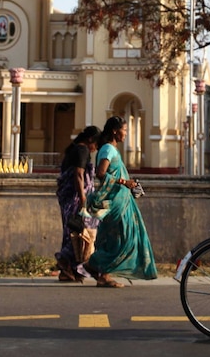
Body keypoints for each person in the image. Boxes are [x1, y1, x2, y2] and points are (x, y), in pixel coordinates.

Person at [83, 116, 157, 287]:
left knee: (116, 239)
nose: (126, 133)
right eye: (124, 130)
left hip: (120, 201)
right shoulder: (108, 149)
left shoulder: (109, 149)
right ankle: (93, 264)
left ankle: (104, 275)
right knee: (123, 240)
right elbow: (100, 173)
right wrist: (125, 182)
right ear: (115, 131)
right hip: (116, 203)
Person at [55, 125, 101, 284]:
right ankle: (66, 264)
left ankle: (70, 270)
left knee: (73, 231)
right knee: (78, 231)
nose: (96, 148)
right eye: (96, 144)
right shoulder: (82, 151)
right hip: (75, 197)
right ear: (90, 140)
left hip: (68, 196)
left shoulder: (74, 149)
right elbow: (79, 174)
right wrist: (82, 198)